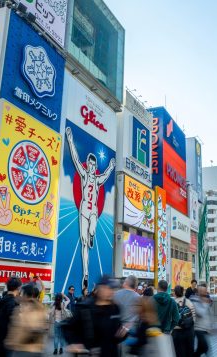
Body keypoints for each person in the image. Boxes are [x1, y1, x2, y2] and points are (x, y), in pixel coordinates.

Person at [66, 127, 116, 289]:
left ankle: (93, 234)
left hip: (93, 211)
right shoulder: (84, 175)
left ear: (96, 166)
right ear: (88, 165)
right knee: (84, 242)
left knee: (92, 230)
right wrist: (70, 140)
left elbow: (107, 175)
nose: (92, 167)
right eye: (90, 164)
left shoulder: (98, 179)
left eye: (94, 165)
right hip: (83, 211)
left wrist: (110, 166)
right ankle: (86, 274)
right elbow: (74, 158)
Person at [67, 275, 127, 357]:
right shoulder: (85, 308)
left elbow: (117, 333)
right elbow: (69, 327)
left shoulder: (115, 308)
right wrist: (74, 342)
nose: (111, 291)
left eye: (113, 289)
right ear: (100, 288)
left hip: (112, 353)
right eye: (108, 288)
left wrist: (123, 334)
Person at [6, 283, 48, 357]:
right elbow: (45, 327)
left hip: (23, 349)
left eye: (21, 293)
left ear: (25, 295)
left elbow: (21, 331)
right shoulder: (41, 309)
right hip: (37, 349)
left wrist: (12, 342)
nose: (19, 295)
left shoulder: (23, 310)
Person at [0, 277, 22, 357]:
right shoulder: (12, 303)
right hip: (7, 344)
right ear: (18, 288)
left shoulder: (2, 301)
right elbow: (15, 323)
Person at [172, 285, 195, 357]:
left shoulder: (172, 303)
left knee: (179, 353)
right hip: (189, 331)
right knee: (189, 352)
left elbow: (170, 319)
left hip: (176, 332)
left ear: (175, 293)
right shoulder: (188, 302)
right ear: (183, 292)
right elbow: (194, 317)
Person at [191, 284, 211, 357]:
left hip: (204, 328)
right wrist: (205, 303)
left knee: (200, 349)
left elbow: (208, 315)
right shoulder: (194, 300)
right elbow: (201, 313)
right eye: (202, 291)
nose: (204, 293)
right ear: (198, 291)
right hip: (198, 328)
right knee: (205, 348)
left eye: (205, 291)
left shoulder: (205, 299)